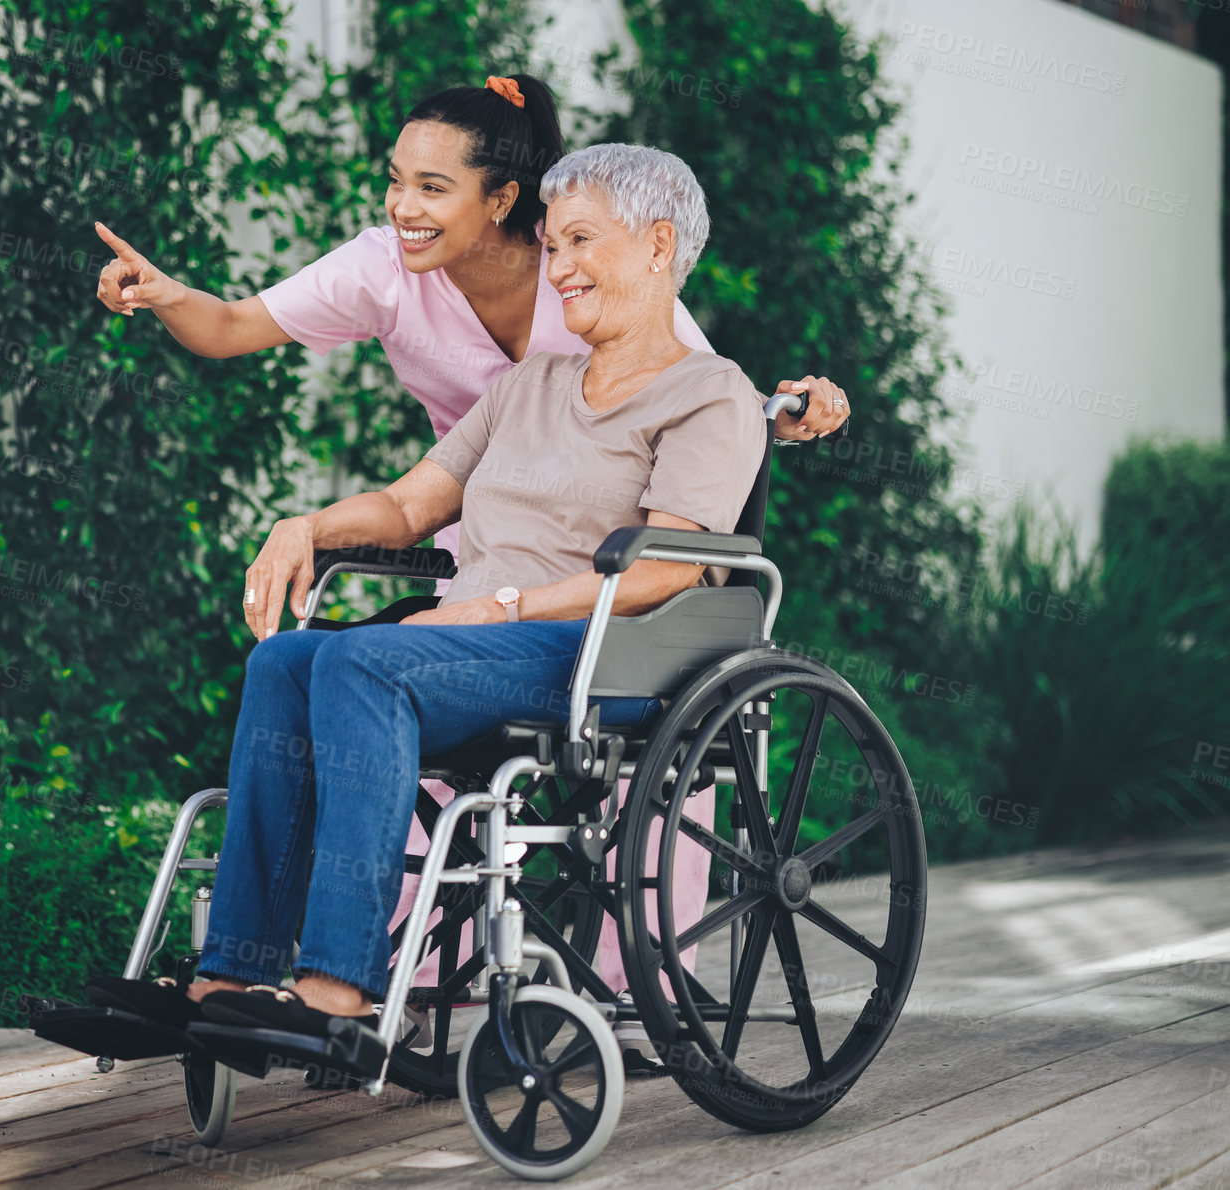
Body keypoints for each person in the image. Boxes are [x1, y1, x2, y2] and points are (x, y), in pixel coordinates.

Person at [89, 76, 848, 1035]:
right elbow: (410, 505)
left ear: (657, 248)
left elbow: (672, 568)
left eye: (582, 243)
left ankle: (333, 990)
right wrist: (306, 525)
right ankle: (230, 979)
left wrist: (501, 611)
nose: (559, 266)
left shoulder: (708, 391)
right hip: (480, 638)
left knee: (366, 660)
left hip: (590, 647)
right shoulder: (528, 385)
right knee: (285, 657)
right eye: (554, 241)